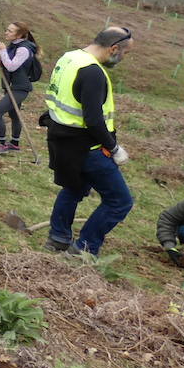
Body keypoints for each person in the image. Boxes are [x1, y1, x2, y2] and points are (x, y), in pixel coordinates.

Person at [40, 26, 136, 256]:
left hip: (63, 140)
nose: (124, 58)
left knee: (74, 188)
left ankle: (58, 238)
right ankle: (85, 248)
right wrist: (114, 148)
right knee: (120, 202)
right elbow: (93, 120)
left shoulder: (69, 58)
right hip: (87, 149)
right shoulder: (93, 72)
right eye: (126, 53)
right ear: (114, 48)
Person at [0, 23, 40, 154]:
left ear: (19, 35)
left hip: (19, 88)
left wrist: (2, 50)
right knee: (14, 115)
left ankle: (2, 144)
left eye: (10, 31)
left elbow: (12, 66)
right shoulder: (15, 46)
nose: (6, 32)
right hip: (12, 86)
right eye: (7, 30)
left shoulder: (24, 49)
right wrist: (0, 60)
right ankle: (14, 144)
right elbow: (11, 64)